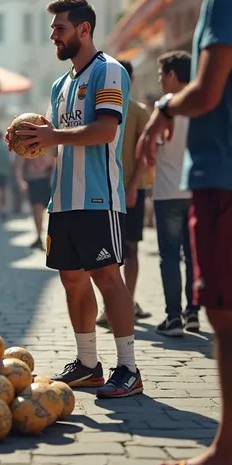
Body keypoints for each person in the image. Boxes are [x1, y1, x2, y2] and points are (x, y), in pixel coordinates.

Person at [136, 0, 232, 465]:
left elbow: (208, 90)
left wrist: (163, 109)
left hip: (221, 175)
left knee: (222, 313)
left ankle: (224, 453)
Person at [9, 0, 142, 399]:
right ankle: (88, 365)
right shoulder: (60, 84)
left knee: (107, 277)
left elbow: (104, 131)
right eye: (52, 28)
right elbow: (60, 143)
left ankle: (130, 369)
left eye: (60, 27)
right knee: (71, 280)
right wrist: (29, 141)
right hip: (63, 201)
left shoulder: (109, 71)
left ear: (84, 29)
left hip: (99, 199)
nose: (53, 35)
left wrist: (51, 136)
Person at [97, 60, 150, 327]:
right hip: (104, 189)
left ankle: (127, 302)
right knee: (107, 252)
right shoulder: (99, 109)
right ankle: (111, 306)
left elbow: (146, 156)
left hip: (130, 190)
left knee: (130, 248)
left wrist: (132, 187)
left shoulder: (139, 111)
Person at [153, 51, 198, 336]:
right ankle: (192, 313)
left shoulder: (165, 107)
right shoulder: (199, 105)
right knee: (193, 255)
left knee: (169, 256)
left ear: (172, 75)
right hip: (194, 190)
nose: (159, 81)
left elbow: (152, 145)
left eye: (160, 75)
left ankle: (173, 318)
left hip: (167, 192)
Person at [15, 154, 55, 249]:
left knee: (50, 210)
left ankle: (46, 237)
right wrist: (20, 181)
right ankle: (39, 237)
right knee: (37, 209)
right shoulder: (27, 144)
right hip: (35, 180)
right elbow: (19, 166)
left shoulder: (51, 143)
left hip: (49, 180)